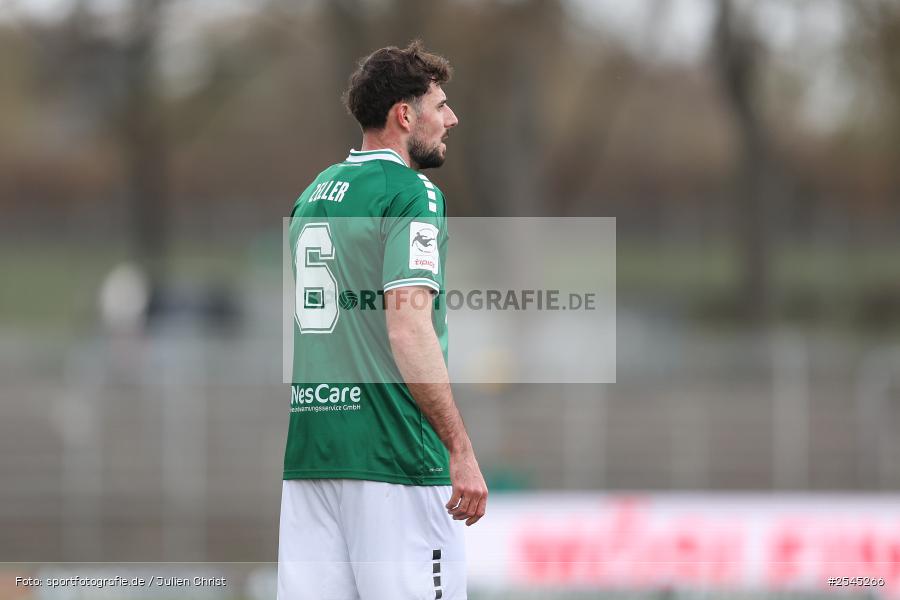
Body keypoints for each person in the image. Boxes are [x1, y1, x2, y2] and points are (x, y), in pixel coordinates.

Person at [278, 41, 487, 600]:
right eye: (439, 105)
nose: (451, 118)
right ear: (404, 114)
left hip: (312, 454)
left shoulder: (312, 195)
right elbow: (408, 327)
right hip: (394, 456)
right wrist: (460, 450)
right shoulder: (411, 193)